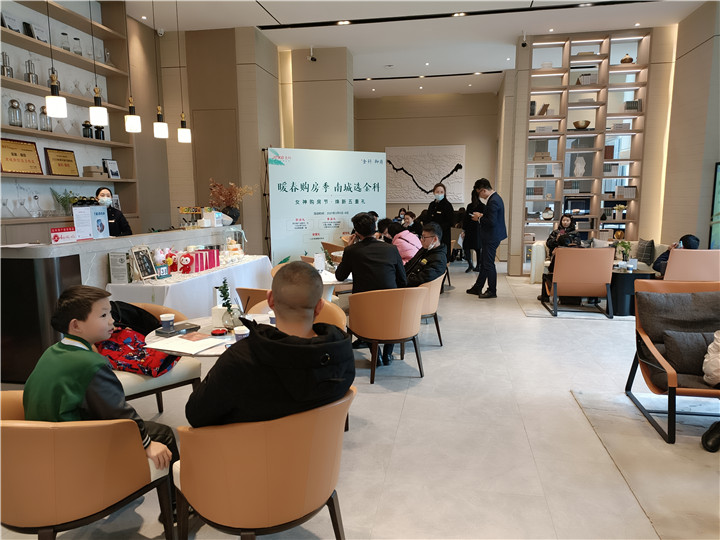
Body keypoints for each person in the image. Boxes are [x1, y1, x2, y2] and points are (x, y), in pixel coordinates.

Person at [23, 285, 177, 472]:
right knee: (164, 434)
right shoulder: (91, 363)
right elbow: (119, 413)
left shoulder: (51, 351)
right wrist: (147, 444)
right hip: (76, 446)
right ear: (76, 325)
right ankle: (178, 491)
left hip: (41, 443)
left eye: (110, 313)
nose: (112, 320)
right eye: (103, 315)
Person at [185, 262, 355, 427]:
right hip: (318, 445)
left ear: (270, 300)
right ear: (319, 306)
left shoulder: (240, 359)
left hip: (250, 446)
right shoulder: (341, 351)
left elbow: (196, 415)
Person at [335, 212, 407, 365]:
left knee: (362, 313)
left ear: (356, 232)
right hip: (391, 304)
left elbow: (340, 276)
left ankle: (376, 354)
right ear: (375, 229)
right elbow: (402, 279)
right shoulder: (391, 249)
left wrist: (348, 247)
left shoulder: (352, 251)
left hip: (364, 305)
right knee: (390, 313)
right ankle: (388, 354)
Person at [467, 178, 507, 299]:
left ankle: (492, 290)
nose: (479, 196)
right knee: (485, 262)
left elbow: (491, 222)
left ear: (483, 190)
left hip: (491, 237)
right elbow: (491, 217)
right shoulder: (496, 198)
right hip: (492, 236)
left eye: (479, 193)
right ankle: (478, 287)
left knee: (488, 264)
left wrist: (479, 218)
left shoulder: (493, 201)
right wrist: (482, 215)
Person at [404, 222, 448, 287]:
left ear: (435, 239)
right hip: (407, 281)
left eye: (424, 237)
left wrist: (400, 281)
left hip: (414, 290)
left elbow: (420, 280)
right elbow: (410, 264)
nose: (421, 240)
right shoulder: (425, 249)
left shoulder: (439, 259)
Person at [426, 183, 454, 259]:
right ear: (434, 192)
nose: (439, 194)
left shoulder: (447, 205)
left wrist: (438, 229)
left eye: (441, 192)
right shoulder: (432, 205)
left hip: (443, 235)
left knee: (442, 256)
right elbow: (428, 218)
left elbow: (450, 222)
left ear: (444, 193)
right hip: (431, 234)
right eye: (437, 192)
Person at [462, 188, 485, 273]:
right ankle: (475, 265)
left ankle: (473, 265)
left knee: (471, 248)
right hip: (474, 230)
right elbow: (466, 219)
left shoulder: (477, 206)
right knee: (474, 248)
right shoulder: (476, 206)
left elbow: (466, 220)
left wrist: (464, 230)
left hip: (474, 230)